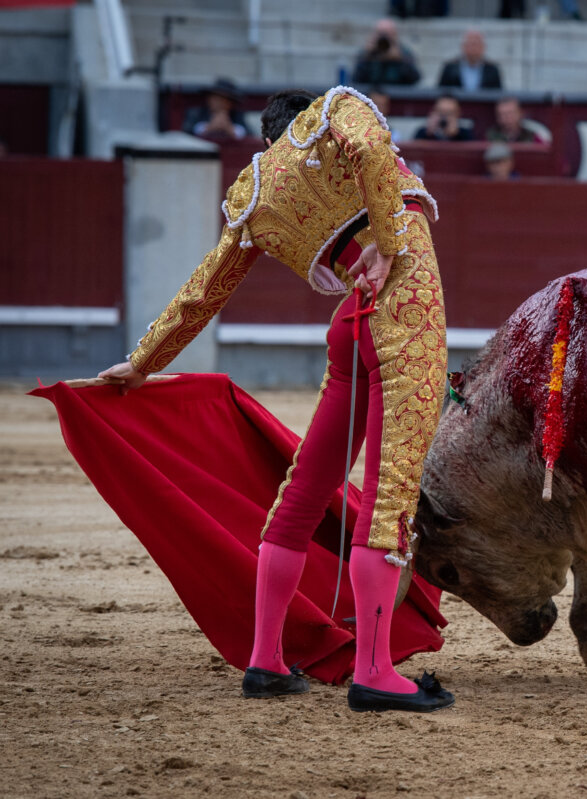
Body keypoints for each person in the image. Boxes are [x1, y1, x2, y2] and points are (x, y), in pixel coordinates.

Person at [98, 86, 453, 714]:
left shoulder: (255, 192)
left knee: (302, 492)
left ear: (269, 140)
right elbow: (372, 147)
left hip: (352, 323)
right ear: (308, 117)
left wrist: (143, 361)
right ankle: (374, 671)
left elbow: (204, 290)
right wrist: (391, 242)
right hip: (405, 306)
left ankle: (265, 659)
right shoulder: (341, 110)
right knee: (388, 491)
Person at [352, 18, 421, 87]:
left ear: (395, 35)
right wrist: (367, 56)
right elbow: (356, 79)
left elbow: (415, 79)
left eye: (387, 34)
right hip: (370, 95)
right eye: (380, 33)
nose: (384, 38)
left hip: (397, 94)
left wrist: (400, 60)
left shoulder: (404, 53)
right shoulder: (367, 53)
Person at [181, 78, 247, 141]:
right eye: (216, 99)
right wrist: (210, 127)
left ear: (230, 103)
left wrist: (229, 128)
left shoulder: (236, 115)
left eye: (223, 100)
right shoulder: (196, 113)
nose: (219, 103)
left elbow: (247, 134)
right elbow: (188, 134)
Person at [437, 30, 503, 91]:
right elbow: (441, 92)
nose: (473, 49)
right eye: (470, 44)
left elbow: (498, 94)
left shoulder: (492, 70)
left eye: (476, 45)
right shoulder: (450, 68)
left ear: (483, 47)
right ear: (463, 46)